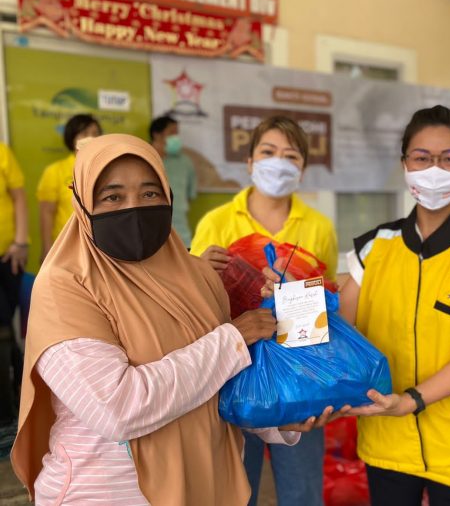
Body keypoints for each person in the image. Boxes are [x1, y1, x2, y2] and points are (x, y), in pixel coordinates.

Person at [10, 134, 332, 505]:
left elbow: (222, 385)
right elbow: (118, 409)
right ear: (81, 202)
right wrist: (232, 338)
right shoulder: (64, 286)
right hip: (106, 491)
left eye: (150, 193)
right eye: (113, 196)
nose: (134, 208)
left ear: (169, 196)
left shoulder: (196, 276)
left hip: (209, 485)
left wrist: (279, 422)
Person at [263, 105, 450, 506]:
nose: (434, 168)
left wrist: (410, 400)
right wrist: (289, 301)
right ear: (405, 163)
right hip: (386, 438)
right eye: (422, 157)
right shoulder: (375, 247)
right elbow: (342, 326)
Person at [190, 115, 338, 506]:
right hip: (233, 375)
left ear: (303, 169)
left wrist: (298, 291)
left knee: (303, 490)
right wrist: (202, 270)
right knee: (236, 490)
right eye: (268, 152)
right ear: (250, 163)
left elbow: (330, 302)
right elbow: (193, 303)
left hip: (302, 373)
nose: (279, 162)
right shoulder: (217, 222)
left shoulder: (319, 227)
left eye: (291, 155)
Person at [37, 113, 101, 261]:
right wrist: (47, 248)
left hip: (102, 245)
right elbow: (47, 213)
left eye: (96, 133)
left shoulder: (106, 169)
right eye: (84, 133)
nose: (91, 138)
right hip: (67, 248)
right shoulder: (54, 171)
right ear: (72, 137)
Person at [0, 142, 28, 456]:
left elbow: (19, 197)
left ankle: (14, 413)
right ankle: (7, 415)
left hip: (8, 256)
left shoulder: (3, 152)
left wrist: (21, 242)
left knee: (5, 327)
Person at [150, 115, 197, 248]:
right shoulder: (143, 160)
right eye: (172, 133)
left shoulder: (185, 162)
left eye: (177, 133)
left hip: (181, 233)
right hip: (149, 233)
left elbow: (190, 195)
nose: (176, 137)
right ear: (157, 135)